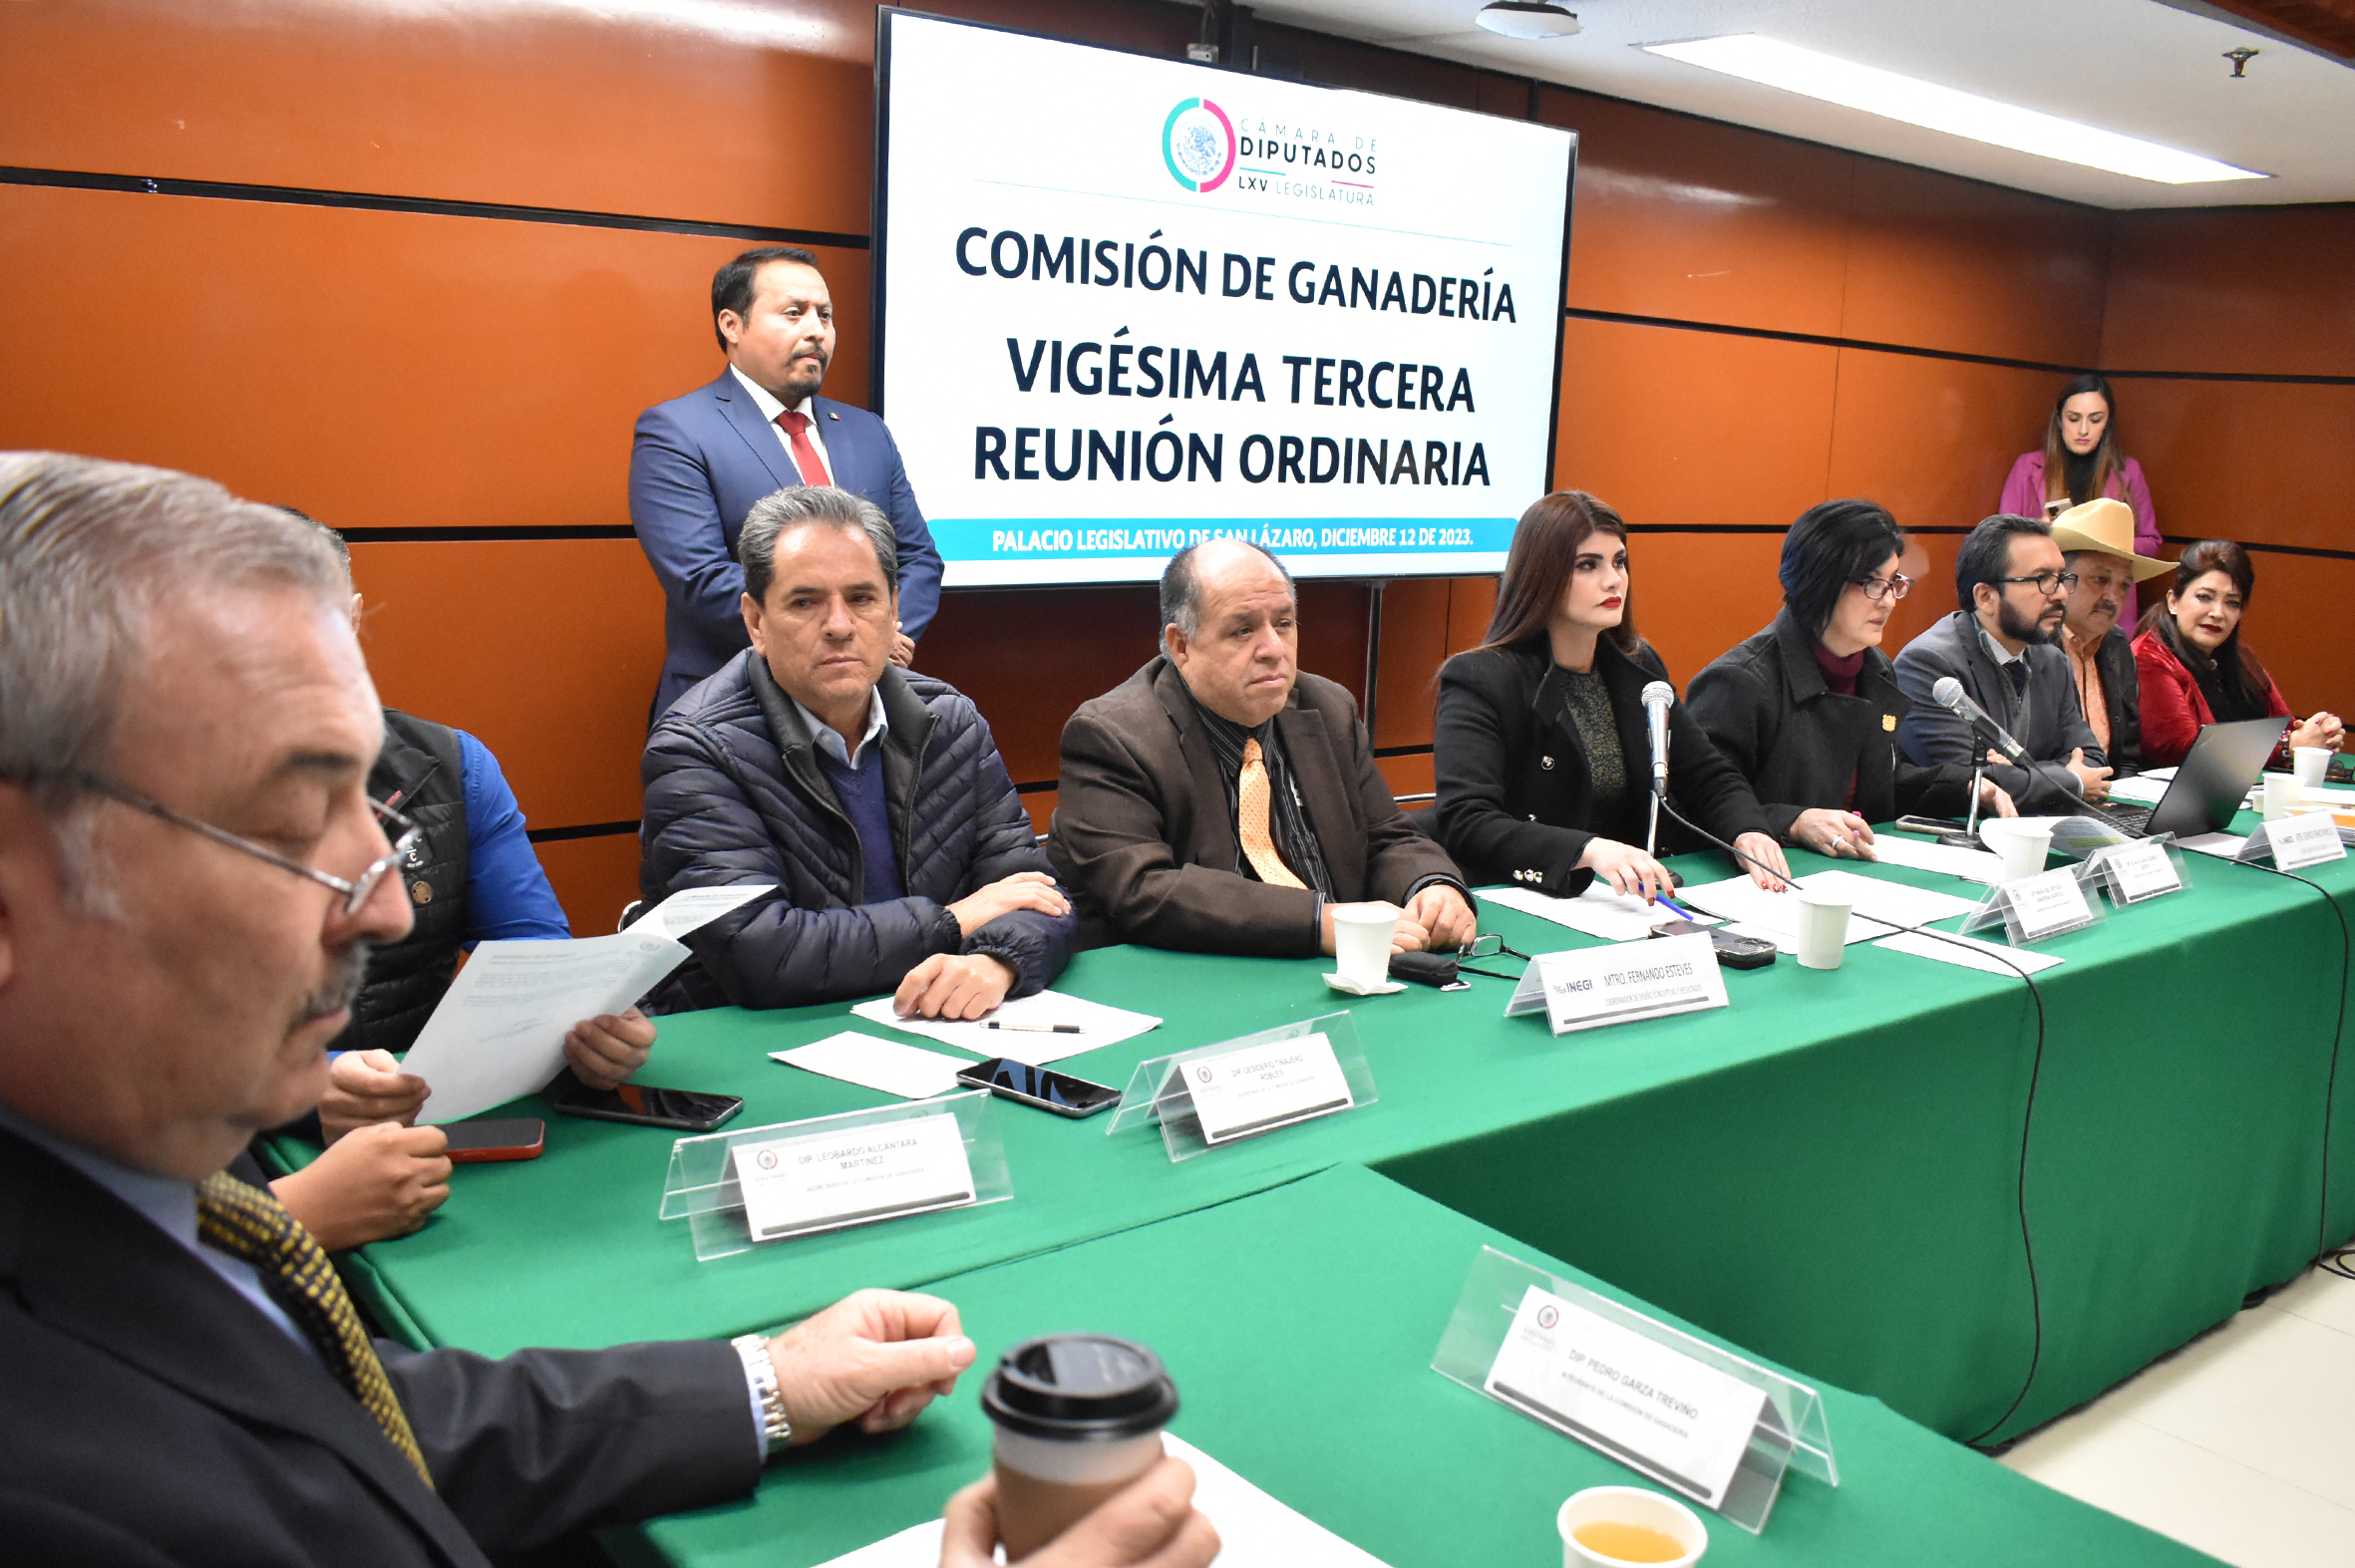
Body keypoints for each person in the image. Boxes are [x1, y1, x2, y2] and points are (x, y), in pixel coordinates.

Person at [0, 453, 1214, 1568]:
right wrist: (956, 919)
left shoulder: (135, 1208)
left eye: (364, 805)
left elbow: (365, 1421)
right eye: (283, 822)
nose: (388, 903)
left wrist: (767, 1380)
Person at [642, 485, 1073, 1015]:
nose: (840, 626)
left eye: (862, 599)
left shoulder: (949, 720)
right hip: (763, 1040)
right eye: (805, 602)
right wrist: (956, 921)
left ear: (894, 611)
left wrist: (996, 960)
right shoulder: (695, 750)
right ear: (756, 622)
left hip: (932, 1024)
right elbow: (763, 954)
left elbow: (1036, 891)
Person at [1049, 538, 1475, 956]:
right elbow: (1146, 890)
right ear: (1181, 646)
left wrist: (1430, 885)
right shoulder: (1113, 736)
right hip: (1196, 975)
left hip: (1344, 967)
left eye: (1284, 624)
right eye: (1243, 630)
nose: (1274, 649)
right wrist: (1318, 922)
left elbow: (1388, 838)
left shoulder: (1328, 708)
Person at [632, 245, 946, 719]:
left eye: (825, 315)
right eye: (794, 313)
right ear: (731, 325)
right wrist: (842, 632)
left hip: (861, 707)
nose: (816, 330)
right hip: (732, 710)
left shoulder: (867, 431)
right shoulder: (676, 430)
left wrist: (879, 633)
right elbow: (700, 579)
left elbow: (918, 558)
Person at [1433, 491, 1790, 903]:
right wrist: (1587, 850)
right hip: (1527, 895)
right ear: (1540, 575)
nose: (1613, 579)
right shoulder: (1480, 678)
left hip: (1626, 900)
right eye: (1588, 565)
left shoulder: (1638, 667)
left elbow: (1707, 775)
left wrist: (1747, 830)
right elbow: (1467, 820)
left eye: (1619, 562)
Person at [1688, 499, 2012, 862]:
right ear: (1819, 581)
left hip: (1850, 866)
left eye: (1893, 582)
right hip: (1767, 875)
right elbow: (1699, 801)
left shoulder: (1876, 670)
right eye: (1872, 584)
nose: (1888, 602)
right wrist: (1793, 822)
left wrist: (1963, 786)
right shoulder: (1739, 680)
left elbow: (1877, 784)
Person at [1892, 513, 2113, 814]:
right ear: (1986, 597)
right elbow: (1972, 782)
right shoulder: (1928, 664)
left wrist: (2017, 773)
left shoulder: (2050, 660)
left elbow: (2092, 759)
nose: (2061, 594)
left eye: (2062, 578)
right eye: (2043, 580)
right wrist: (2070, 779)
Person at [2133, 539, 2344, 770]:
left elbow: (2284, 726)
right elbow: (2181, 749)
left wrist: (2320, 732)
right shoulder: (2148, 655)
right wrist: (2287, 748)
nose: (2217, 613)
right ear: (2173, 601)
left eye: (2232, 603)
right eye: (2204, 597)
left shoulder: (2239, 655)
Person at [1998, 374, 2162, 626]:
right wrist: (2041, 530)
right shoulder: (2028, 466)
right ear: (2059, 420)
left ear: (2107, 423)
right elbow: (2001, 538)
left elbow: (2151, 542)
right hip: (2045, 593)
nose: (2083, 429)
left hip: (2105, 599)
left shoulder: (2127, 470)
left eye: (2095, 420)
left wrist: (2109, 540)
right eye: (2073, 418)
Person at [2049, 496, 2171, 778]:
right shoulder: (2031, 645)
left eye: (2124, 585)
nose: (2113, 597)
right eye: (2100, 580)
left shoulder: (2116, 644)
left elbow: (2127, 756)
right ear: (2060, 579)